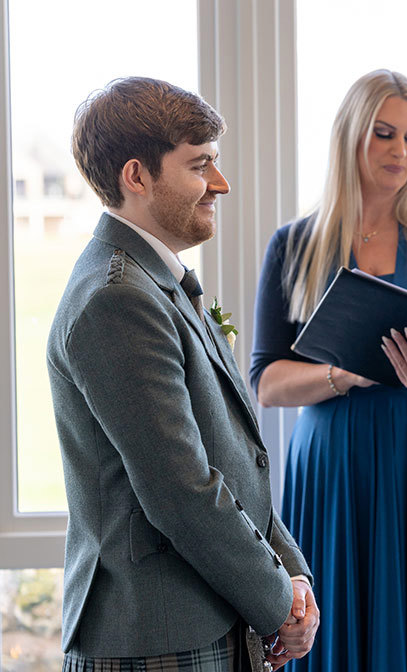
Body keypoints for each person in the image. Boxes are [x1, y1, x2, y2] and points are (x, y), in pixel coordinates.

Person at [47, 77, 319, 671]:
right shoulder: (116, 299)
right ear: (137, 176)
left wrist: (291, 575)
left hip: (202, 617)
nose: (219, 183)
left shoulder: (156, 281)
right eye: (200, 165)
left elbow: (234, 458)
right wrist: (278, 602)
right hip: (158, 637)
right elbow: (181, 490)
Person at [249, 70, 407, 672]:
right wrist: (346, 374)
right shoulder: (295, 244)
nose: (400, 151)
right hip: (339, 464)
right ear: (350, 137)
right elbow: (266, 380)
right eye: (384, 134)